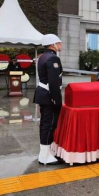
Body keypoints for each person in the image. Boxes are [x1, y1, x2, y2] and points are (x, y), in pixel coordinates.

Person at [33, 34, 63, 165]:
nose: (61, 45)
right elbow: (53, 82)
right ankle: (44, 156)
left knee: (46, 124)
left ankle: (45, 152)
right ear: (53, 44)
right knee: (49, 125)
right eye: (59, 43)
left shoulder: (43, 56)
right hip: (49, 96)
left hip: (43, 94)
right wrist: (57, 100)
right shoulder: (52, 58)